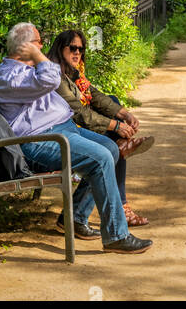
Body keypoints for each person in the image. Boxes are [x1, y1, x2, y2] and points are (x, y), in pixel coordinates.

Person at [0, 22, 152, 253]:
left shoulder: (25, 72)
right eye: (38, 42)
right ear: (25, 47)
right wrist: (36, 54)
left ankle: (75, 218)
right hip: (41, 140)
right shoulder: (9, 77)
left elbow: (79, 91)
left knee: (112, 149)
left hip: (61, 129)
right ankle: (116, 235)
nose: (42, 46)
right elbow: (50, 79)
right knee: (102, 158)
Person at [48, 29, 154, 230]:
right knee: (111, 150)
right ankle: (118, 207)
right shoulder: (55, 76)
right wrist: (115, 125)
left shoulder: (72, 72)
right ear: (60, 48)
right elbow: (78, 112)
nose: (77, 52)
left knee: (112, 109)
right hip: (63, 134)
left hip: (73, 128)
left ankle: (121, 147)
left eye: (81, 48)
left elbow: (93, 95)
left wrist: (123, 113)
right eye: (73, 48)